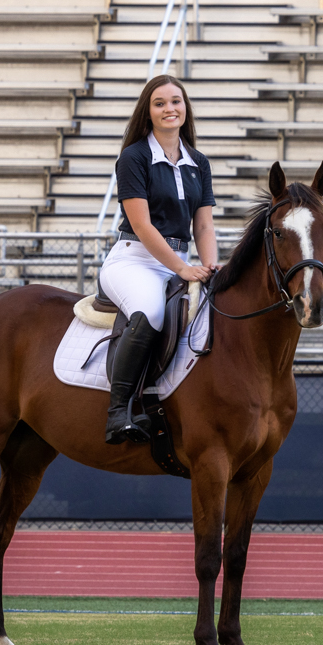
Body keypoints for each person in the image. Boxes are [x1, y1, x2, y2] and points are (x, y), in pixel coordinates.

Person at [99, 74, 218, 444]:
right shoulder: (133, 157)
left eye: (176, 101)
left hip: (180, 259)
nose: (170, 109)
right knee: (150, 310)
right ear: (147, 113)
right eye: (160, 103)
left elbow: (203, 226)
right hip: (135, 259)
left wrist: (211, 267)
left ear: (186, 108)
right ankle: (118, 412)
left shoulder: (198, 161)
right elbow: (142, 224)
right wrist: (182, 268)